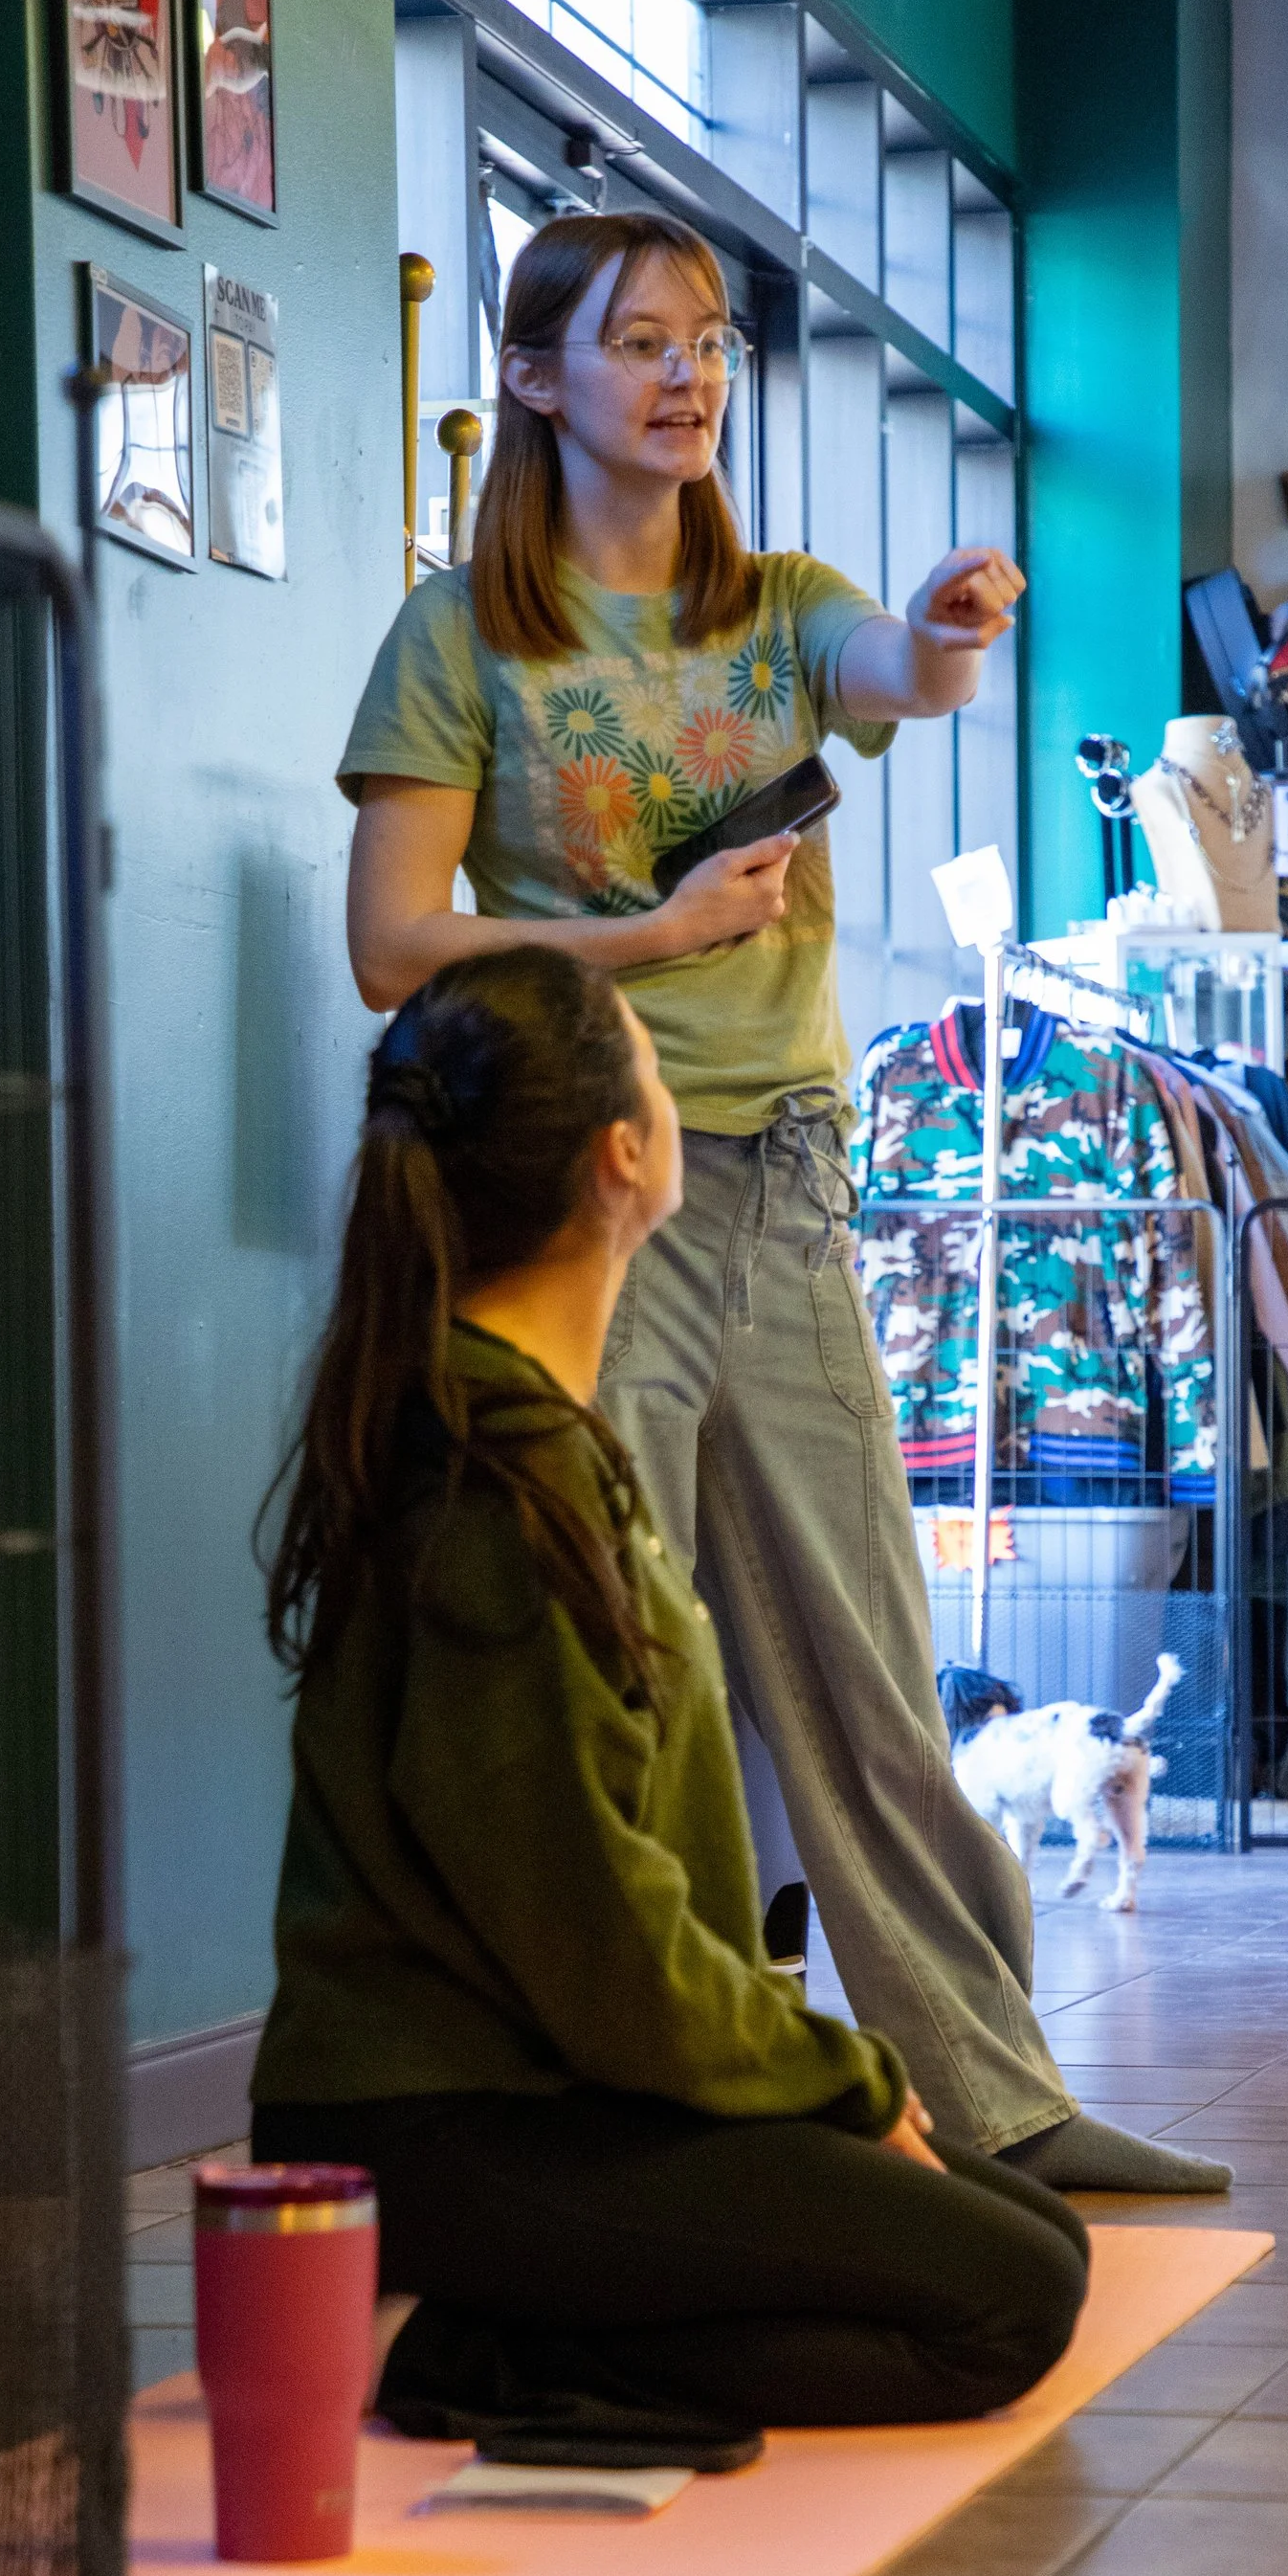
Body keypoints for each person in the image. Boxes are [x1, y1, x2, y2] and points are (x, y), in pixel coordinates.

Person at [337, 204, 1227, 2197]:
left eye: (710, 340)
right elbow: (391, 945)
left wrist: (946, 623)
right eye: (638, 340)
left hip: (787, 1177)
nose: (685, 374)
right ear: (538, 377)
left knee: (865, 1664)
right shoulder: (459, 638)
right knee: (606, 1657)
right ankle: (604, 2100)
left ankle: (994, 2094)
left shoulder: (778, 608)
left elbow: (894, 667)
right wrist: (646, 933)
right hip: (581, 1199)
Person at [249, 946, 1091, 2448]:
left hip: (552, 2080)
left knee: (1033, 2245)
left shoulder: (541, 1443)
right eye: (652, 1053)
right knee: (1007, 2296)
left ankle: (541, 2318)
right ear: (628, 1155)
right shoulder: (501, 1491)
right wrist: (846, 2085)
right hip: (449, 2125)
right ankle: (497, 2354)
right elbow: (603, 1942)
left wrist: (816, 2099)